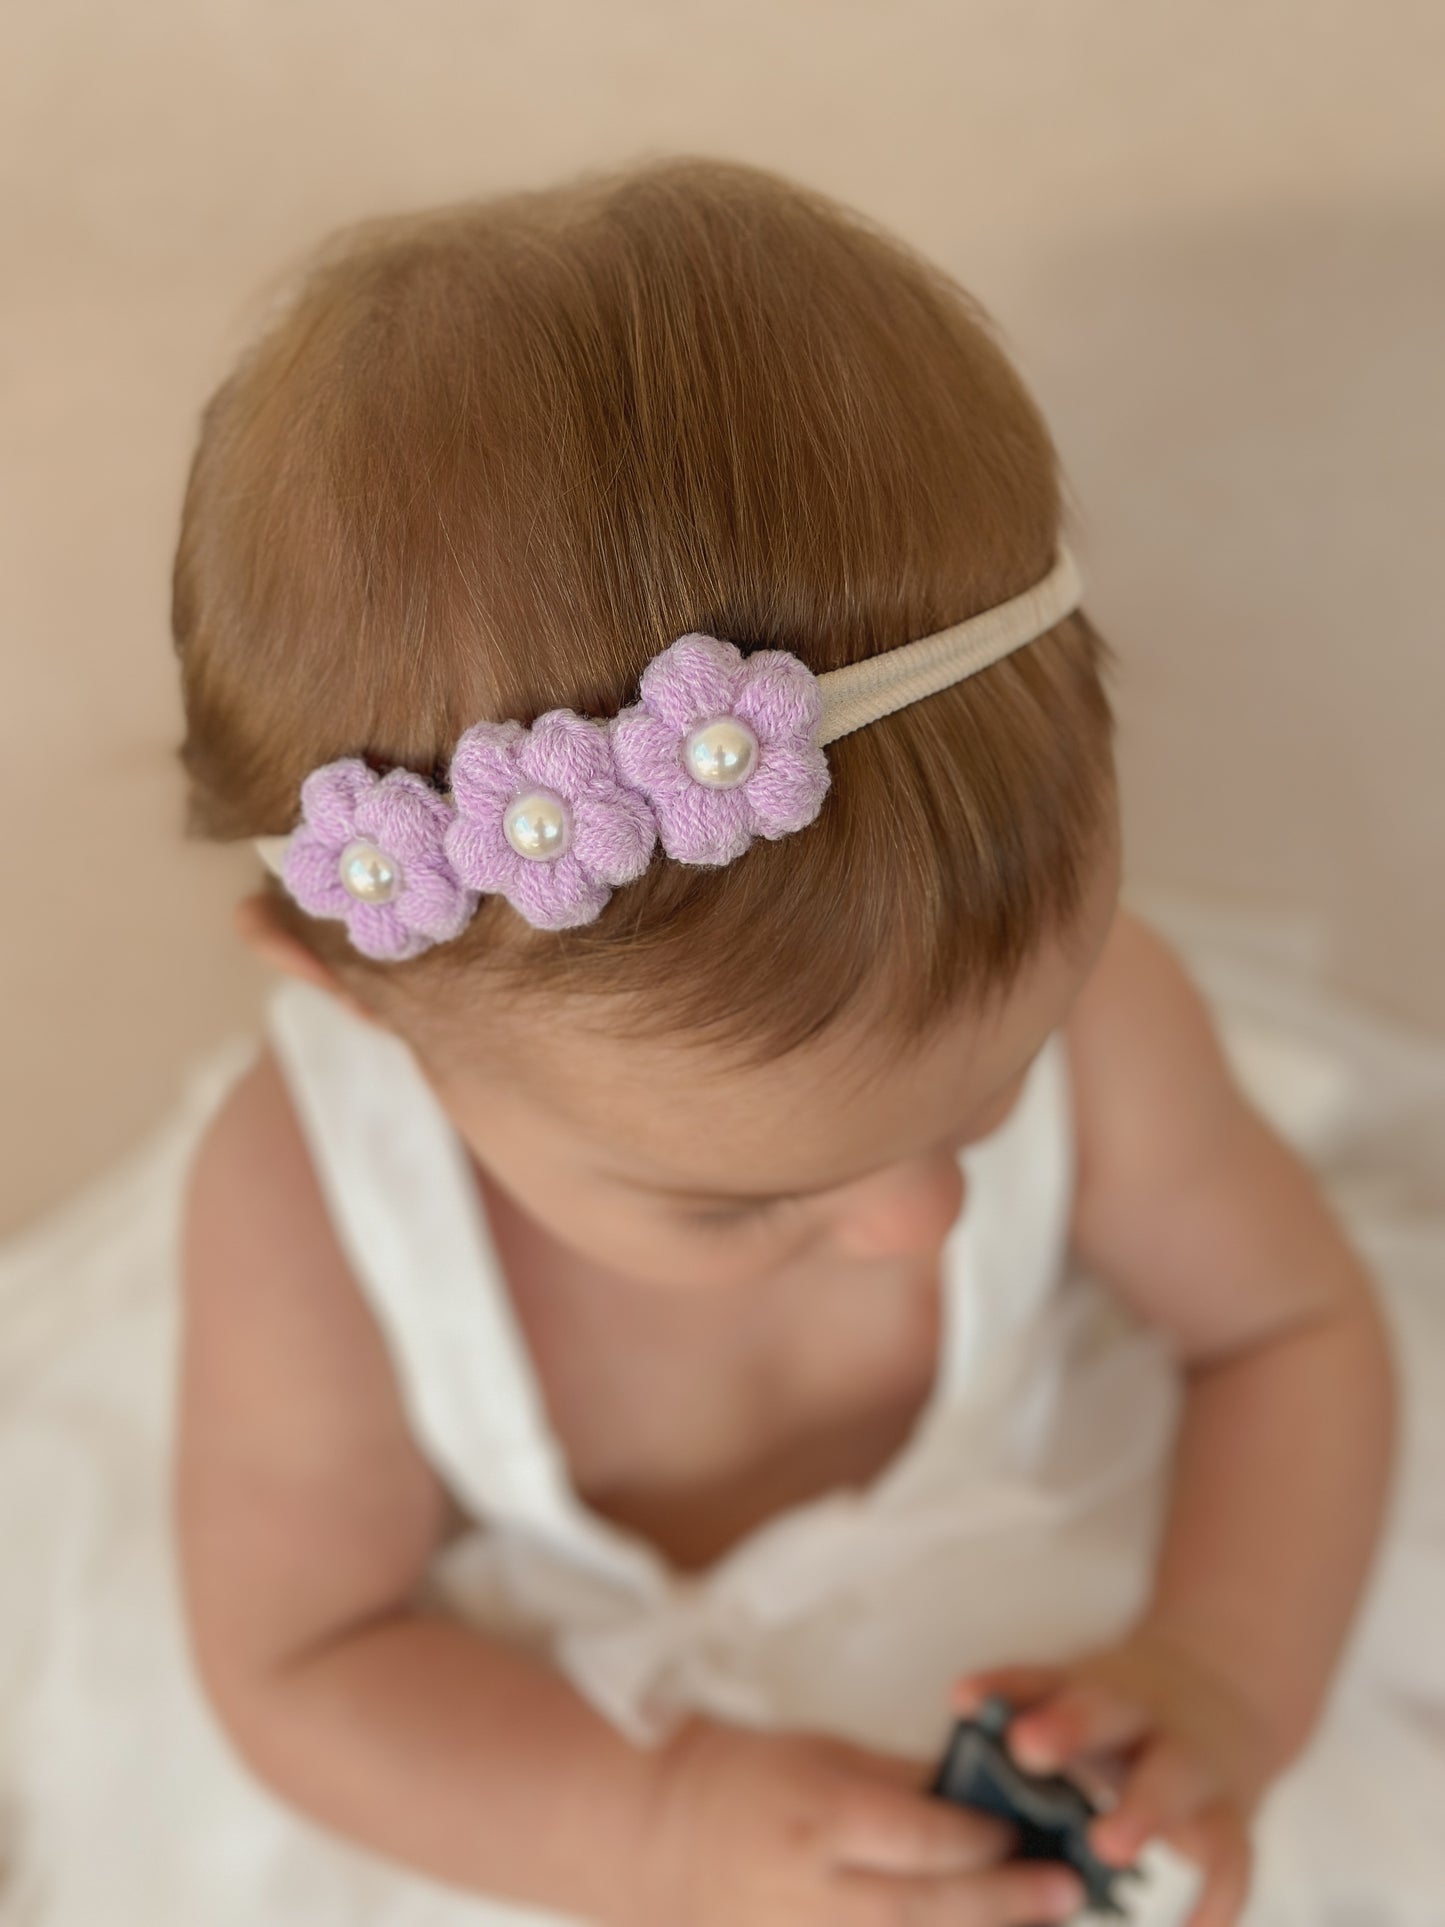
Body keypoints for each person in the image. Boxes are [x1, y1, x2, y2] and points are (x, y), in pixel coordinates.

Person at [1, 154, 1442, 1927]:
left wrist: (1218, 1673)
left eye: (994, 1094)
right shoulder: (307, 1212)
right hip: (563, 1762)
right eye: (732, 1200)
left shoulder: (1115, 1014)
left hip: (1061, 1555)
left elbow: (1284, 1328)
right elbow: (306, 1659)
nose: (921, 1221)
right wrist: (658, 1833)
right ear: (361, 1004)